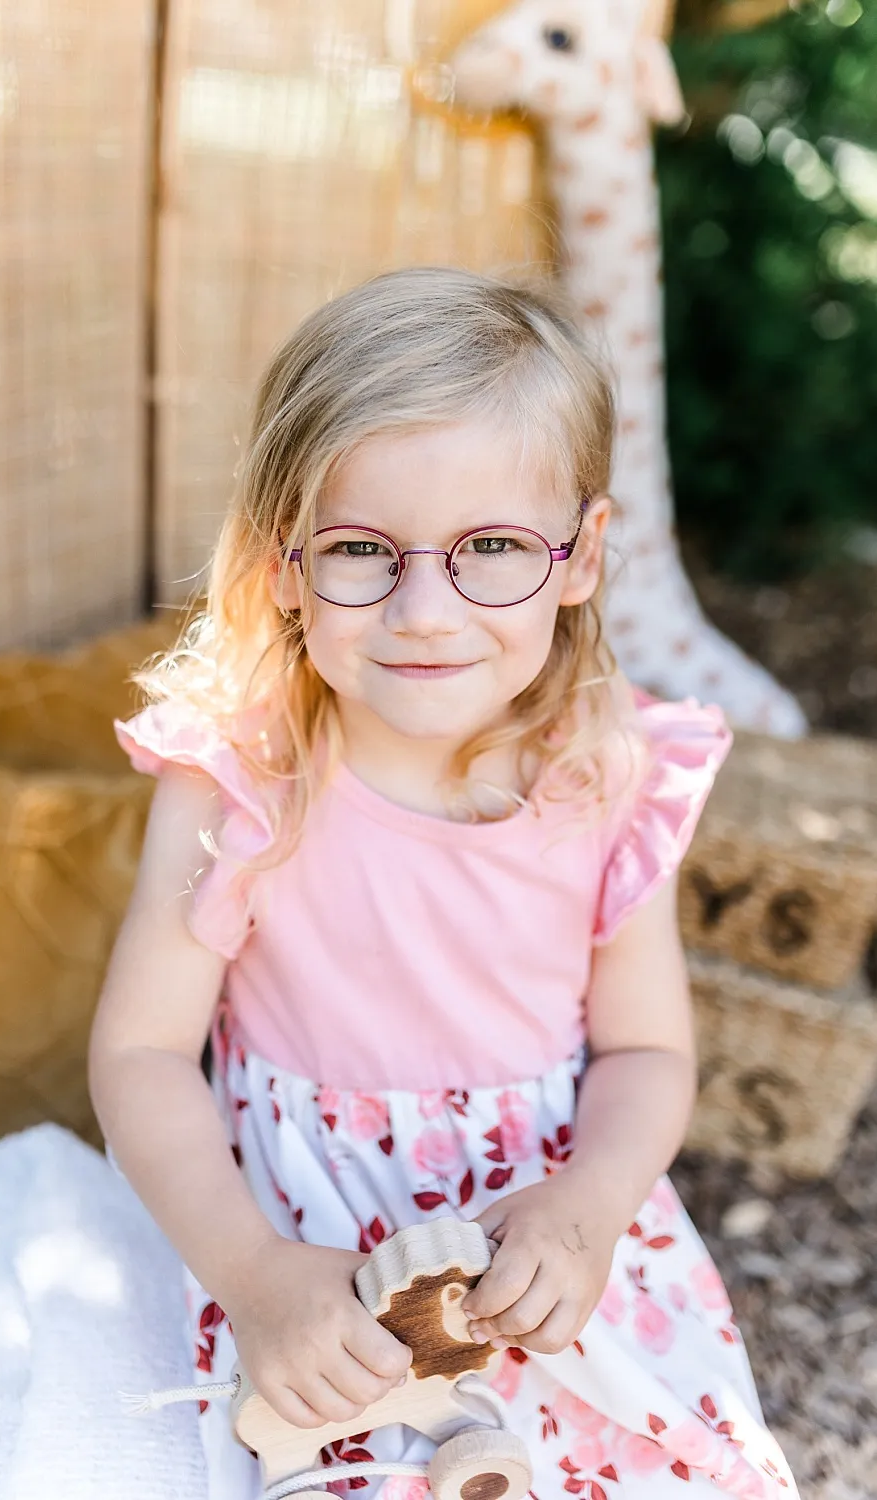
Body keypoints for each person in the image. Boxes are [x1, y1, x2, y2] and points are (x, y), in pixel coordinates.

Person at [89, 266, 799, 1498]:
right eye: (364, 549)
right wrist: (255, 1275)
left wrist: (586, 1209)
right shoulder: (243, 776)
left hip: (540, 1242)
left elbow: (646, 1056)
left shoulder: (603, 775)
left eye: (493, 550)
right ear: (287, 564)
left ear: (581, 558)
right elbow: (144, 1055)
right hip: (304, 1249)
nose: (426, 611)